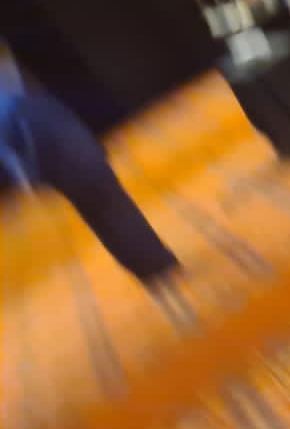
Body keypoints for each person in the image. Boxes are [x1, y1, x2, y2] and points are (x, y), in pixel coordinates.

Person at [0, 89, 179, 286]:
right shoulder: (22, 105)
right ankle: (156, 263)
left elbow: (12, 153)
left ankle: (150, 267)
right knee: (110, 204)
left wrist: (30, 179)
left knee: (100, 212)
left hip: (46, 144)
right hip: (52, 131)